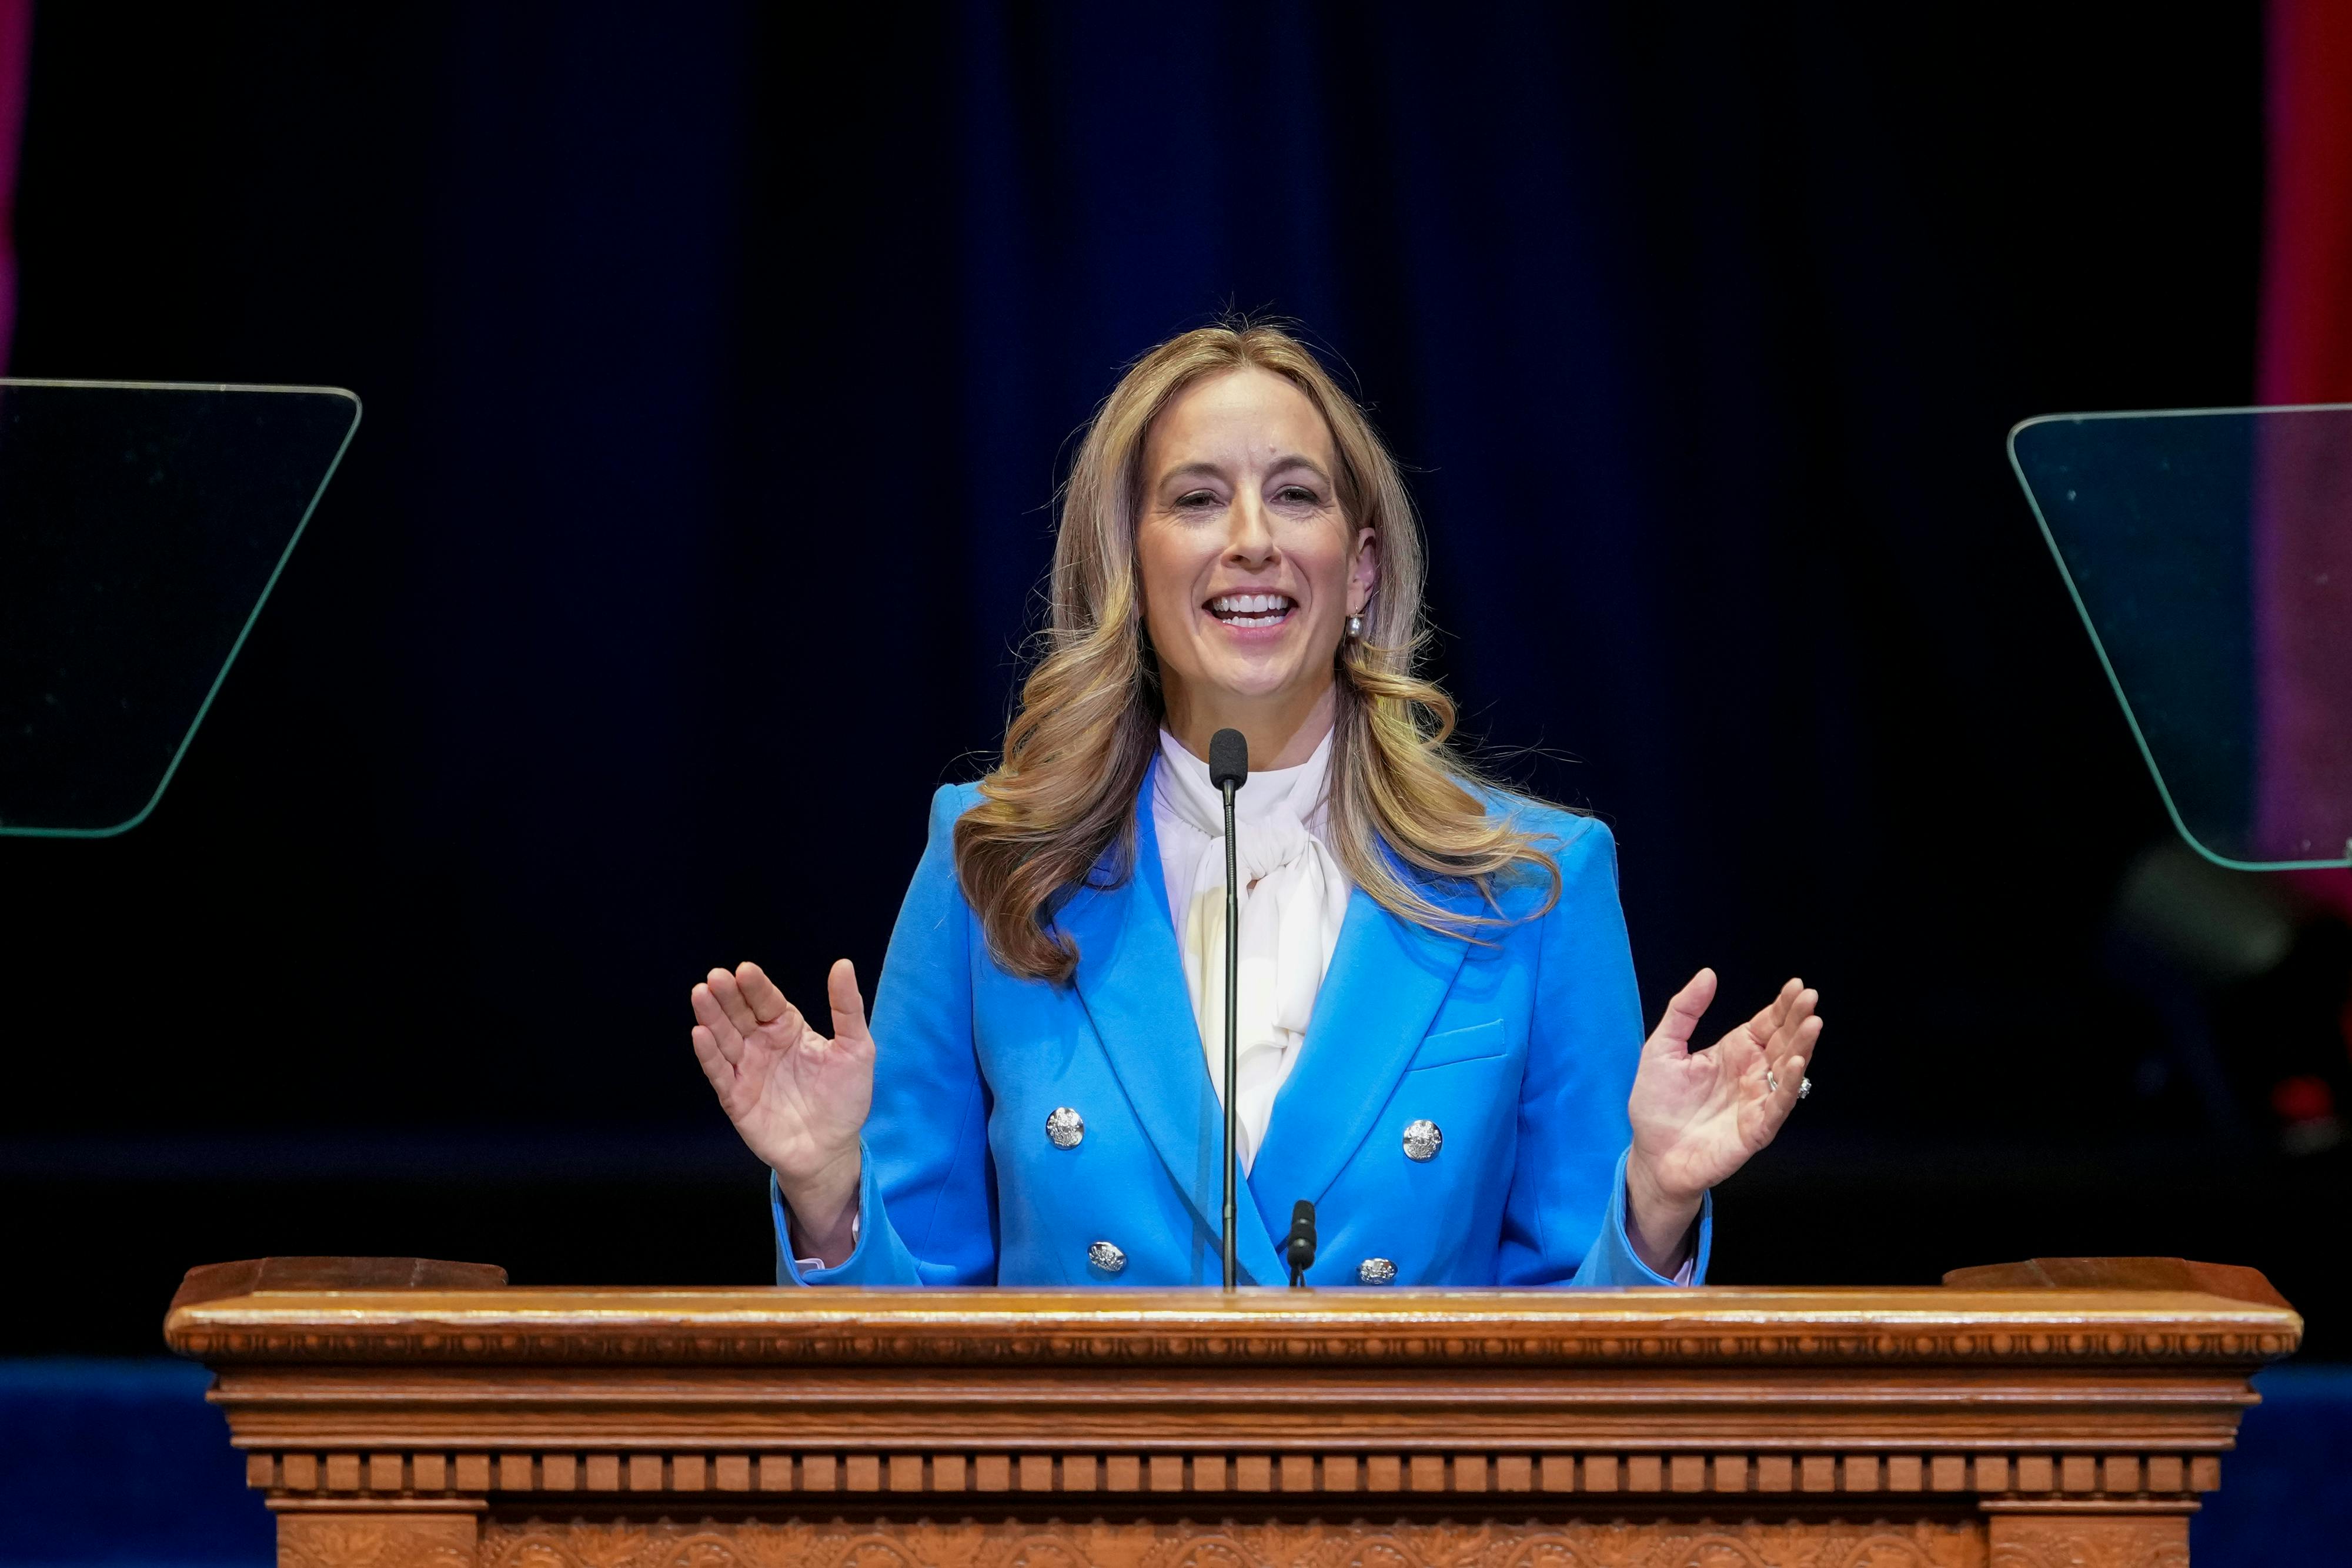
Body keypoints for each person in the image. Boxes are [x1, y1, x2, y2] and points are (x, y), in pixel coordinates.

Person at [689, 322, 1820, 1288]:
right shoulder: (992, 859)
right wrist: (826, 1187)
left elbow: (1580, 1395)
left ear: (1361, 567)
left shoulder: (1534, 883)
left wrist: (1657, 1203)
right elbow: (906, 1356)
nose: (1252, 540)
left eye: (1295, 494)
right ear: (1129, 560)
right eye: (1195, 498)